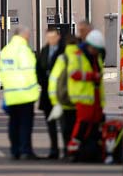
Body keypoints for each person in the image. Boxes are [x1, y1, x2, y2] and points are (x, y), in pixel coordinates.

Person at [0, 26, 40, 160]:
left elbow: (1, 73)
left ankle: (15, 150)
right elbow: (31, 72)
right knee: (25, 125)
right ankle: (26, 150)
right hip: (25, 94)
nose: (28, 37)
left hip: (11, 94)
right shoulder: (24, 51)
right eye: (27, 35)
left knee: (13, 123)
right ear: (22, 35)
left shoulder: (6, 50)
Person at [67, 30, 106, 162]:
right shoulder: (78, 55)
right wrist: (92, 77)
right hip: (84, 96)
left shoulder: (96, 56)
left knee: (95, 124)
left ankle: (92, 150)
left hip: (95, 97)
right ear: (91, 46)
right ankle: (73, 150)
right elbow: (73, 73)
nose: (97, 53)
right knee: (83, 123)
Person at [47, 36, 79, 159]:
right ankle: (76, 151)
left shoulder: (62, 58)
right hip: (79, 101)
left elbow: (54, 80)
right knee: (77, 129)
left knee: (66, 129)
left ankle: (67, 151)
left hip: (64, 101)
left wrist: (55, 101)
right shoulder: (82, 57)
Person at [36, 28, 65, 159]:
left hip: (61, 94)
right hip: (47, 94)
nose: (50, 39)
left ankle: (67, 149)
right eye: (48, 37)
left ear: (58, 37)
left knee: (64, 124)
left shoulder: (64, 51)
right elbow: (38, 69)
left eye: (53, 37)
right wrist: (43, 82)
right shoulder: (44, 51)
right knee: (51, 123)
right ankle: (54, 150)